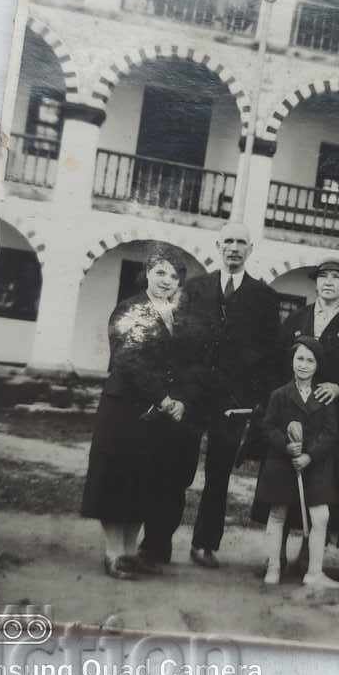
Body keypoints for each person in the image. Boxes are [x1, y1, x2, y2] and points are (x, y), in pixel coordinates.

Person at [81, 247, 204, 579]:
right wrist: (163, 398)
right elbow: (128, 359)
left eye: (174, 275)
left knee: (144, 482)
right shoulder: (130, 309)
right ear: (147, 273)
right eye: (161, 272)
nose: (167, 281)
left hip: (159, 416)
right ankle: (113, 553)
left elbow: (191, 364)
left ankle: (131, 553)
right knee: (117, 480)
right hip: (125, 410)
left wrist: (181, 398)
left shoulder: (181, 316)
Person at [185, 222, 280, 568]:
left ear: (250, 249)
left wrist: (255, 399)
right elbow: (183, 344)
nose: (234, 248)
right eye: (228, 241)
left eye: (241, 242)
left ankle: (204, 544)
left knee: (219, 474)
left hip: (233, 404)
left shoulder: (264, 296)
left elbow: (271, 354)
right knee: (176, 469)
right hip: (193, 398)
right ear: (217, 245)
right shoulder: (195, 289)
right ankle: (156, 541)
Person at [276, 257, 339, 567]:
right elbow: (278, 368)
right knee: (284, 481)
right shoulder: (296, 319)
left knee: (320, 486)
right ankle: (276, 551)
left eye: (336, 277)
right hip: (294, 415)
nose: (328, 282)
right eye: (323, 276)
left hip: (332, 419)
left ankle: (308, 552)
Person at [255, 337, 339, 589]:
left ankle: (314, 572)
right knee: (278, 512)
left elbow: (330, 433)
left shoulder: (324, 396)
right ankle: (273, 566)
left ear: (318, 365)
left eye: (310, 360)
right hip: (283, 463)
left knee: (321, 516)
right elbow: (268, 427)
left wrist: (309, 455)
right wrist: (285, 445)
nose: (304, 365)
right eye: (299, 359)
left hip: (315, 463)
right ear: (292, 361)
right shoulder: (280, 394)